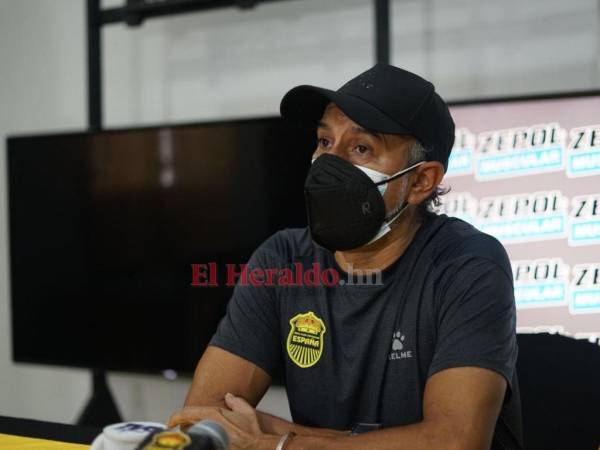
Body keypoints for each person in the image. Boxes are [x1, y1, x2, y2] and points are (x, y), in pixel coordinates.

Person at [168, 64, 523, 450]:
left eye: (361, 148)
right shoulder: (283, 259)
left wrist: (279, 440)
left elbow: (454, 443)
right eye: (324, 141)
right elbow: (202, 418)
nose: (330, 163)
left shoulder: (468, 266)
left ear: (421, 181)